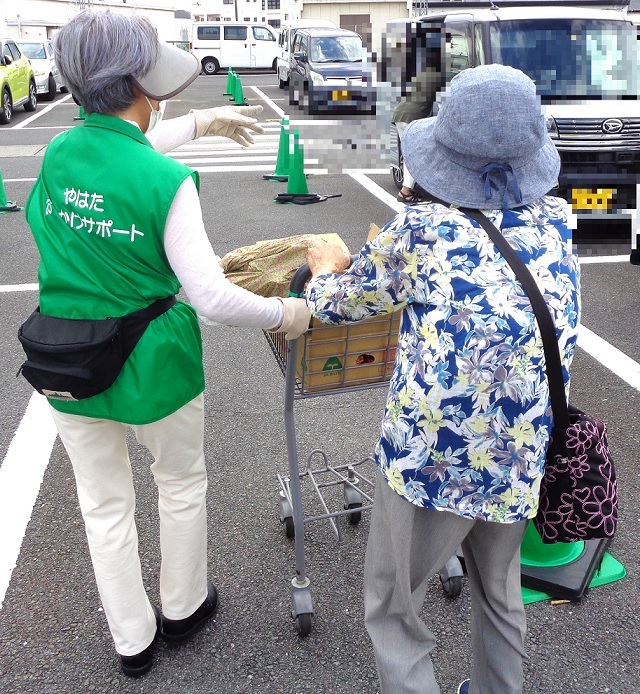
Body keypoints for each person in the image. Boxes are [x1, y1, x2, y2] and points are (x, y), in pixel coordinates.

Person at [24, 10, 309, 678]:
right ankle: (183, 608)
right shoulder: (166, 182)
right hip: (153, 359)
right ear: (139, 88)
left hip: (66, 357)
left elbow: (120, 153)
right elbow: (210, 295)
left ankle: (133, 641)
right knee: (179, 484)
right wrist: (285, 312)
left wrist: (201, 124)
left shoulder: (60, 153)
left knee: (103, 505)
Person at [306, 64, 581, 694]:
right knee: (500, 591)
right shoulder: (554, 227)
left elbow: (338, 302)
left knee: (394, 606)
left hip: (433, 457)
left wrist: (326, 267)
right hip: (520, 448)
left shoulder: (422, 233)